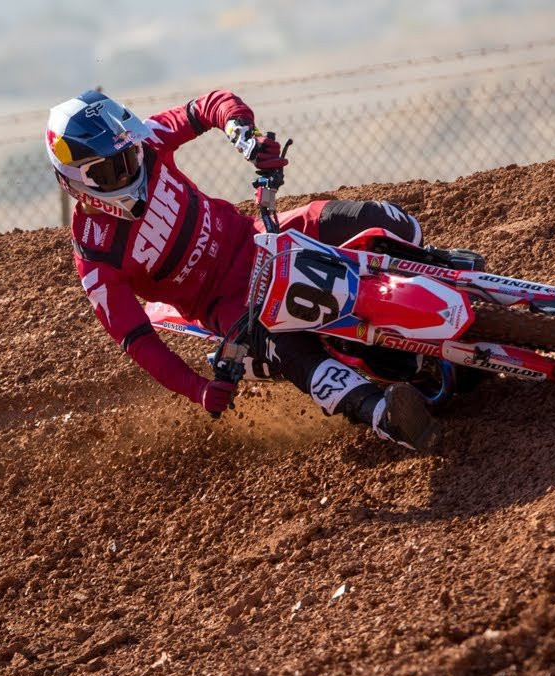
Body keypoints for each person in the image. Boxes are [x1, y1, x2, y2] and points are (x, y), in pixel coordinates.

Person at [46, 89, 438, 451]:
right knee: (290, 349)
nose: (130, 170)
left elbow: (207, 106)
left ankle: (442, 271)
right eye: (110, 170)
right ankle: (380, 415)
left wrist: (244, 137)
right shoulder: (95, 259)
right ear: (75, 181)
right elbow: (138, 340)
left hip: (260, 235)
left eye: (128, 155)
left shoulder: (148, 140)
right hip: (230, 304)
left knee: (384, 221)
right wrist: (198, 389)